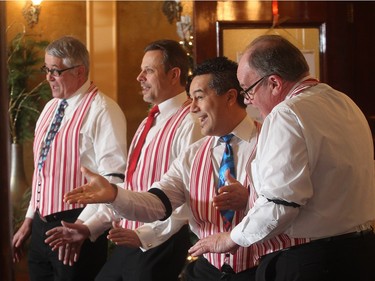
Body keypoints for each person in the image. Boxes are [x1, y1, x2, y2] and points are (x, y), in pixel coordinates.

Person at [64, 56, 309, 281]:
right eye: (191, 99)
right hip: (208, 270)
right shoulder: (193, 154)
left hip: (261, 270)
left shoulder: (270, 140)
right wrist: (114, 195)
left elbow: (294, 202)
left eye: (200, 97)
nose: (192, 108)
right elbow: (157, 203)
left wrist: (249, 200)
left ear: (231, 97)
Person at [188, 34, 375, 281]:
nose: (248, 100)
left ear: (274, 83)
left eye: (248, 89)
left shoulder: (286, 114)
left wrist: (231, 238)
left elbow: (282, 202)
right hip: (361, 253)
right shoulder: (344, 101)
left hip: (311, 262)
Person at [46, 39, 203, 281]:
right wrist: (89, 227)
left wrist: (145, 236)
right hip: (130, 239)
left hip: (160, 242)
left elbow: (188, 196)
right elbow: (129, 187)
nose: (140, 77)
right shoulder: (149, 121)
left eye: (149, 71)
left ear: (174, 75)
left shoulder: (190, 122)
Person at [12, 36, 128, 281]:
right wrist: (29, 219)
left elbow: (113, 180)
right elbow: (43, 170)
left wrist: (83, 229)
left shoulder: (104, 110)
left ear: (79, 71)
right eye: (47, 70)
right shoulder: (49, 108)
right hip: (41, 228)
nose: (48, 77)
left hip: (77, 227)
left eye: (55, 71)